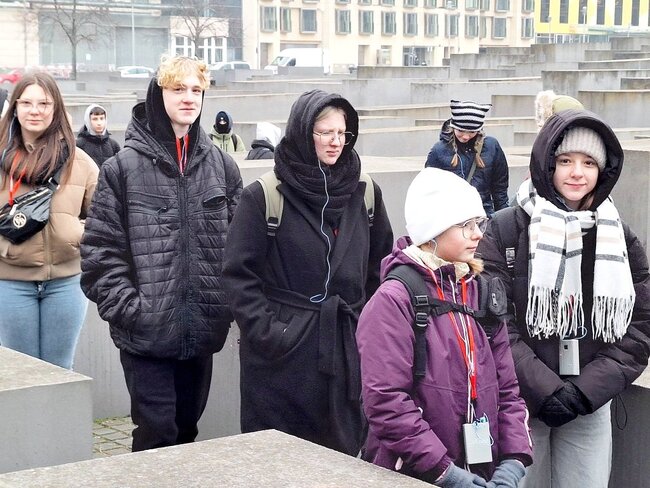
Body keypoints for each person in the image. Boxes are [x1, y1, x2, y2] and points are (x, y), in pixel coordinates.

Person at [477, 109, 650, 488]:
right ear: (547, 164)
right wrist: (545, 390)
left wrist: (584, 392)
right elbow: (492, 321)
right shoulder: (505, 229)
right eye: (566, 161)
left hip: (589, 403)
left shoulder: (618, 235)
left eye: (589, 163)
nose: (577, 173)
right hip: (520, 401)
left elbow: (639, 326)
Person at [80, 55, 243, 451]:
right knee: (156, 436)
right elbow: (100, 254)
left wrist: (223, 306)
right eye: (178, 89)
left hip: (201, 330)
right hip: (145, 336)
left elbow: (240, 249)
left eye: (196, 90)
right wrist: (132, 310)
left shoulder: (222, 167)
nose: (189, 98)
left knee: (187, 433)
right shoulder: (121, 169)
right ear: (158, 93)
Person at [222, 89, 394, 456]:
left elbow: (380, 267)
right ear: (303, 132)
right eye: (325, 132)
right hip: (281, 359)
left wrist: (365, 325)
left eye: (342, 133)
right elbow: (239, 275)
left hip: (346, 346)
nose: (336, 142)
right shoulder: (264, 196)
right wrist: (273, 333)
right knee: (281, 459)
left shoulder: (365, 192)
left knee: (343, 457)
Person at [357, 167, 532, 488]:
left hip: (484, 471)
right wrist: (446, 473)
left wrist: (513, 461)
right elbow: (386, 402)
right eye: (466, 226)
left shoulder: (480, 291)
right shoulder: (394, 300)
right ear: (432, 231)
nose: (478, 235)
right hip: (416, 475)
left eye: (479, 224)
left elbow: (508, 390)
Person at [0, 71, 98, 369]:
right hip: (10, 281)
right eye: (26, 103)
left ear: (56, 108)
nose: (35, 111)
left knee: (60, 369)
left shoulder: (80, 162)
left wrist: (77, 234)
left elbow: (105, 217)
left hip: (66, 283)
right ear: (15, 107)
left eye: (44, 103)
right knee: (22, 373)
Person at [425, 100, 509, 217]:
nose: (465, 136)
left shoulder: (491, 146)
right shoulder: (439, 150)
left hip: (483, 216)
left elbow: (500, 188)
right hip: (451, 218)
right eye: (460, 130)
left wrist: (503, 217)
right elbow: (428, 188)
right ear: (453, 127)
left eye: (471, 132)